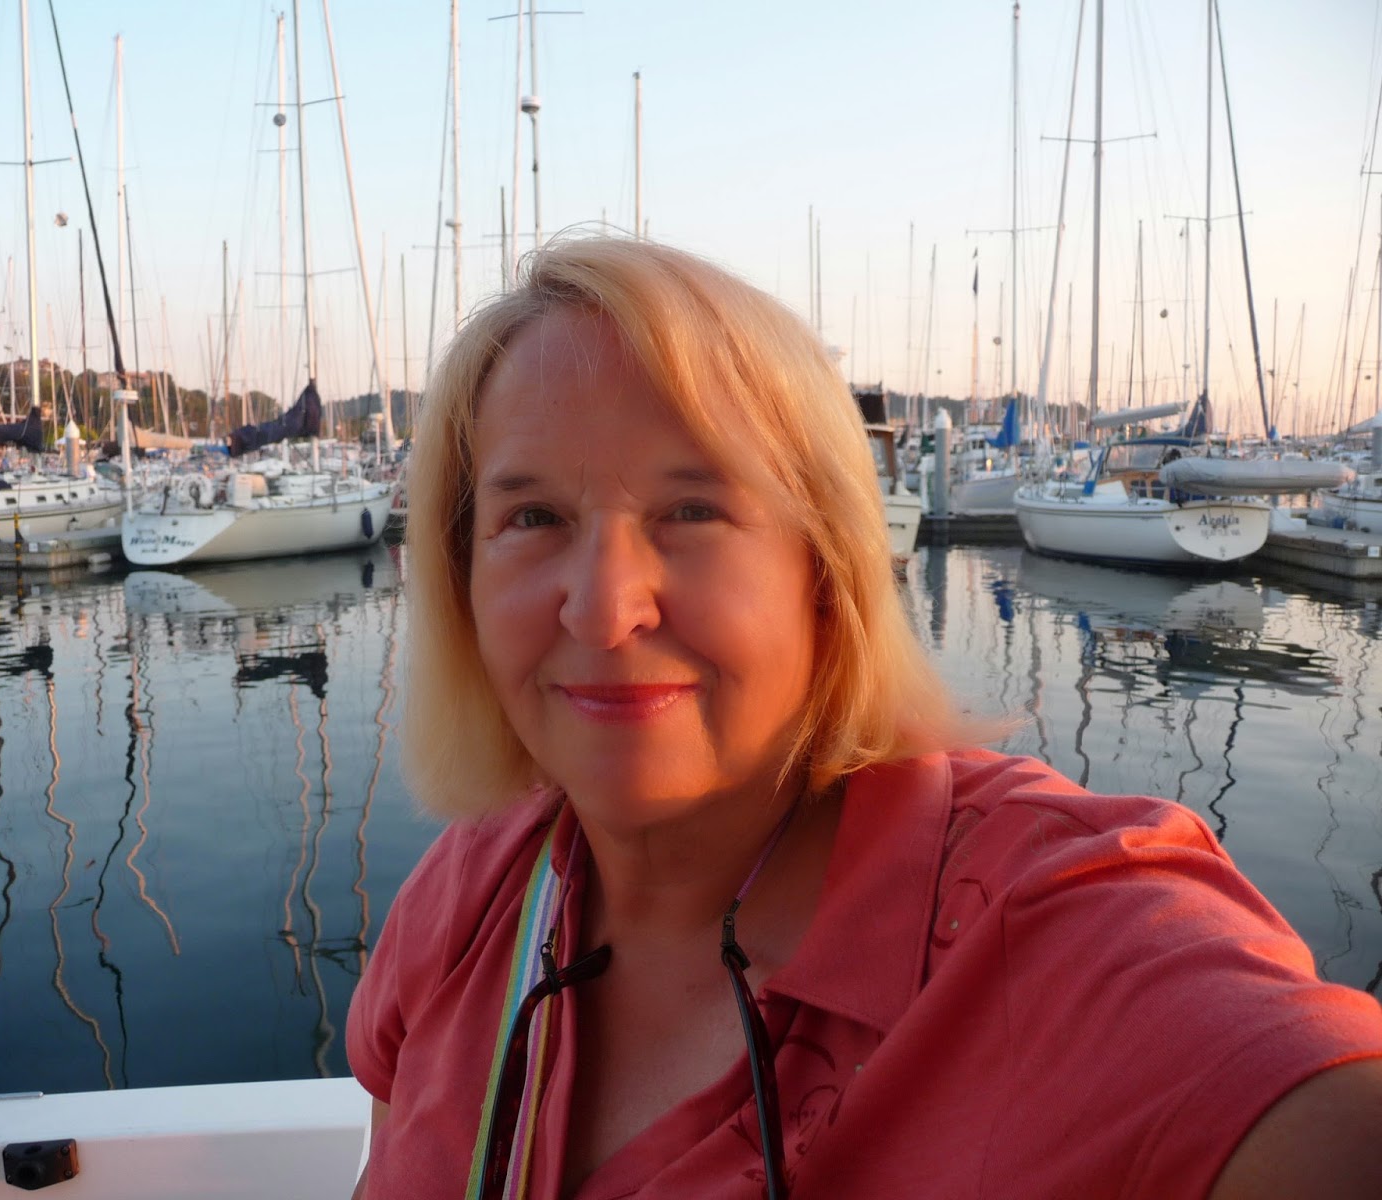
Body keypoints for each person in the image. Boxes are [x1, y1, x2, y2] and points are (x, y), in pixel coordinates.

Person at [346, 236, 1382, 1199]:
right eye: (532, 517)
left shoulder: (1049, 928)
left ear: (826, 569)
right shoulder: (467, 897)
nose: (606, 610)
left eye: (692, 510)